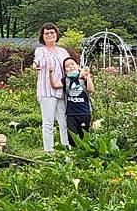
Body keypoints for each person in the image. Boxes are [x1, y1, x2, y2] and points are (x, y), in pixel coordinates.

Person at [32, 23, 70, 153]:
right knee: (48, 123)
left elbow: (69, 67)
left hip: (62, 90)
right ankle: (49, 152)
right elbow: (39, 61)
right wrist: (36, 65)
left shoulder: (63, 51)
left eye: (52, 33)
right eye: (46, 33)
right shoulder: (41, 50)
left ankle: (66, 151)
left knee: (64, 122)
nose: (50, 35)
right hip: (47, 91)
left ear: (56, 34)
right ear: (42, 36)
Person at [48, 57, 94, 146]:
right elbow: (54, 85)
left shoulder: (83, 78)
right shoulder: (66, 80)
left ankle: (84, 156)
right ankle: (74, 155)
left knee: (84, 136)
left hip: (84, 113)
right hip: (71, 114)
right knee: (72, 137)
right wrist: (50, 73)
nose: (71, 67)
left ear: (77, 66)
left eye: (72, 64)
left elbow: (91, 89)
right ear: (65, 70)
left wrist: (88, 76)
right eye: (67, 66)